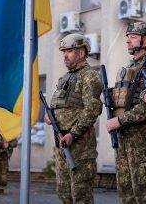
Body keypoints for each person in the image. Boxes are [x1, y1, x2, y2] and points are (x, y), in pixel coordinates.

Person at [103, 22, 146, 204]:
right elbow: (128, 96)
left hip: (141, 135)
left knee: (143, 191)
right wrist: (109, 95)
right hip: (123, 135)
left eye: (133, 36)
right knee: (126, 191)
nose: (128, 40)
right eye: (128, 36)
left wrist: (118, 121)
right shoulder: (130, 67)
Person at [45, 33, 102, 204]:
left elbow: (92, 110)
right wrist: (49, 115)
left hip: (80, 149)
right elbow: (58, 106)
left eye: (69, 51)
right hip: (62, 147)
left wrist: (73, 134)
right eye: (64, 51)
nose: (65, 55)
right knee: (64, 195)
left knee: (81, 197)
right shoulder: (65, 78)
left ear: (82, 53)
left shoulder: (90, 76)